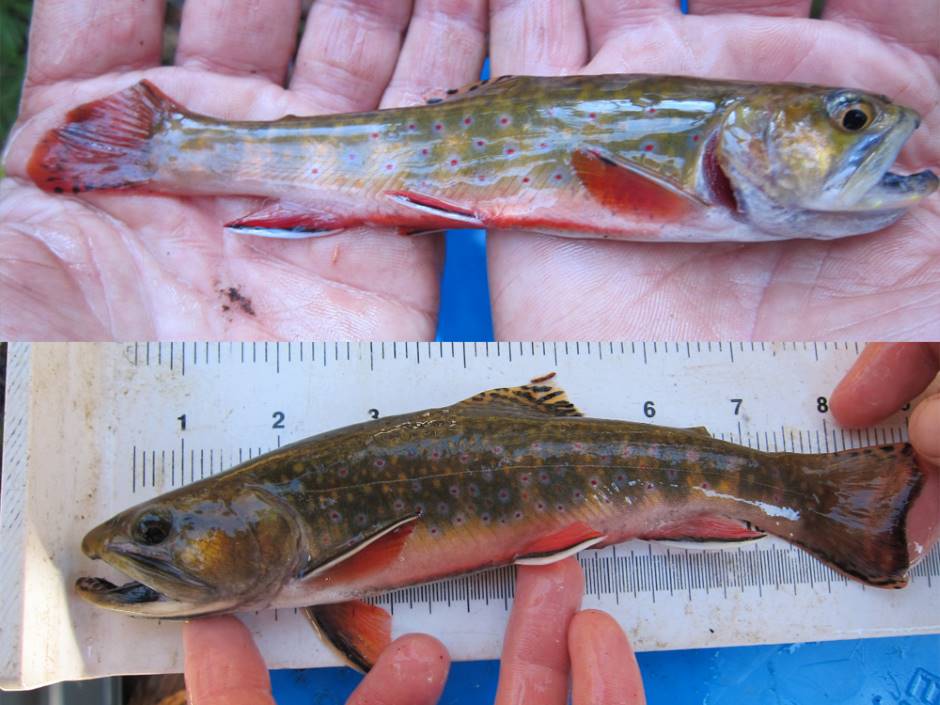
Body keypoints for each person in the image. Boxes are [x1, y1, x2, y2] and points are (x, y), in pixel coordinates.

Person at [1, 1, 938, 339]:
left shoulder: (714, 164)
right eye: (852, 120)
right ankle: (166, 145)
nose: (873, 131)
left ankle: (169, 148)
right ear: (748, 133)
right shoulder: (698, 170)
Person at [181, 342, 940, 705]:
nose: (157, 547)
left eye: (159, 531)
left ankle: (835, 499)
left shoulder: (305, 544)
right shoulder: (304, 550)